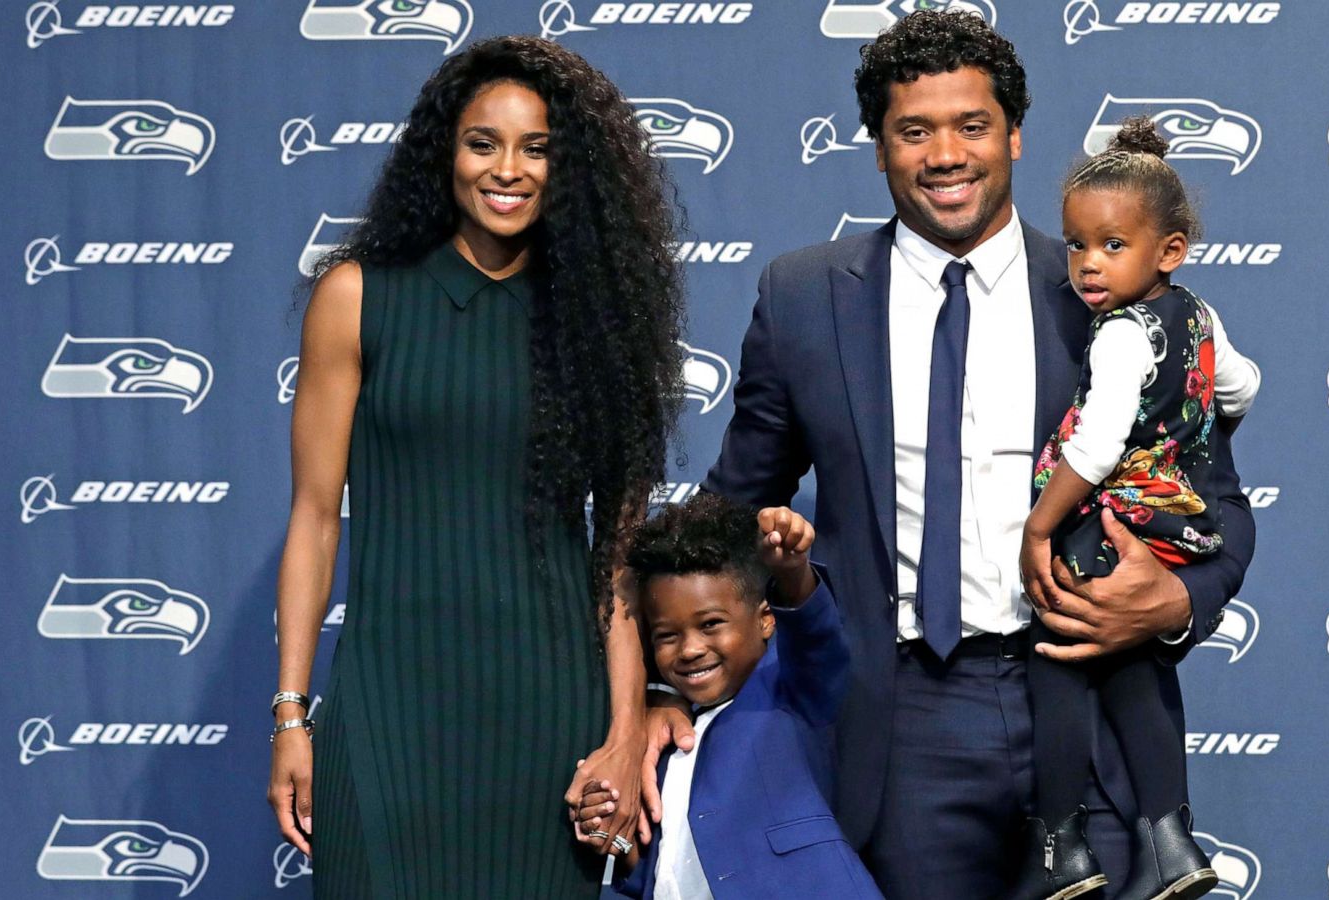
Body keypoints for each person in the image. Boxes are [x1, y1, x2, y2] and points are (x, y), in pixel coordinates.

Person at [690, 11, 1256, 899]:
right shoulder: (802, 297)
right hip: (903, 722)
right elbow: (724, 513)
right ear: (879, 148)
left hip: (1090, 698)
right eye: (914, 131)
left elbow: (1221, 504)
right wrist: (653, 691)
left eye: (972, 126)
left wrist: (1174, 603)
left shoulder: (1110, 292)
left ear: (1016, 137)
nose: (945, 154)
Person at [267, 36, 683, 898]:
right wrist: (291, 717)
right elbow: (313, 517)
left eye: (538, 148)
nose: (510, 169)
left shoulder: (600, 327)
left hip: (547, 715)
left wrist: (621, 727)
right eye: (483, 142)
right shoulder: (358, 296)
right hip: (386, 707)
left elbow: (615, 564)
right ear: (443, 153)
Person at [1015, 117, 1260, 900]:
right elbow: (1241, 387)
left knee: (1056, 663)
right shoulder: (1198, 314)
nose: (1087, 265)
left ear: (1169, 249)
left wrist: (1041, 524)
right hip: (1173, 524)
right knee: (1136, 669)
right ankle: (1169, 840)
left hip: (1107, 524)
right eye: (1077, 245)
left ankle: (1061, 845)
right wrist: (1195, 413)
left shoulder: (1119, 334)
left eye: (1112, 246)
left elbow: (1093, 446)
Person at [576, 495, 882, 899]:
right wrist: (614, 832)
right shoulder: (658, 745)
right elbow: (653, 871)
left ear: (766, 618)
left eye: (711, 624)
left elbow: (816, 638)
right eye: (667, 635)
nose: (689, 649)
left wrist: (792, 572)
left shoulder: (790, 692)